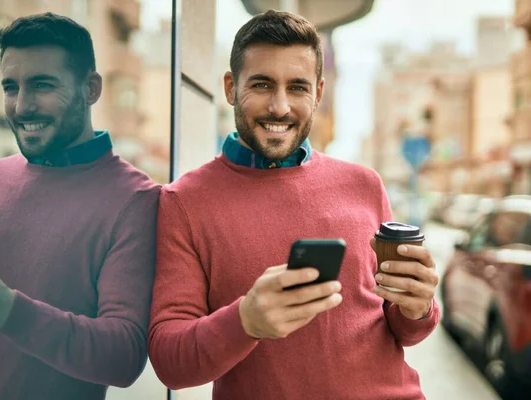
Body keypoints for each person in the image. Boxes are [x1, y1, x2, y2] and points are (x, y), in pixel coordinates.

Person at [149, 10, 439, 400]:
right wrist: (245, 321)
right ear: (231, 88)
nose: (281, 107)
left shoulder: (364, 184)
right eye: (263, 84)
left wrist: (419, 306)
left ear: (318, 93)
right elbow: (170, 361)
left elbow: (404, 329)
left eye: (298, 87)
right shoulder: (183, 202)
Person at [0, 13, 160, 400]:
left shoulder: (136, 200)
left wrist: (10, 311)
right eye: (10, 86)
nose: (22, 106)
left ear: (91, 88)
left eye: (41, 85)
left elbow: (124, 356)